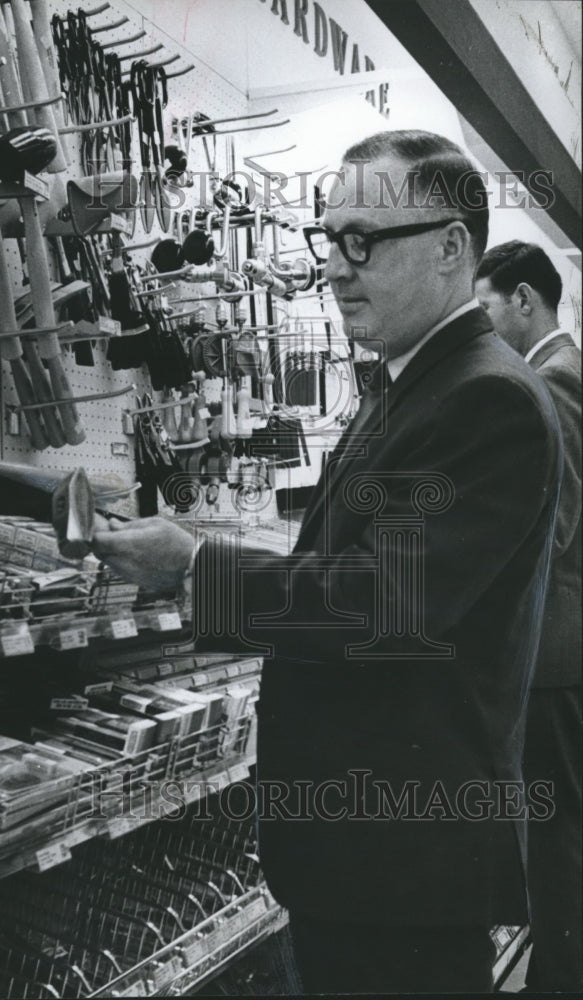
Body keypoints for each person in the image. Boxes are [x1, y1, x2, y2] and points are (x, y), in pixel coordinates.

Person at [92, 131, 563, 993]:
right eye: (327, 238)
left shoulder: (482, 394)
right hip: (369, 857)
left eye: (363, 240)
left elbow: (384, 604)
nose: (337, 268)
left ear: (452, 248)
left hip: (399, 863)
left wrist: (195, 566)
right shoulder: (420, 380)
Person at [476, 241, 582, 993]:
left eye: (483, 307)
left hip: (554, 656)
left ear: (522, 300)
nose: (478, 325)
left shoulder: (554, 384)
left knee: (556, 842)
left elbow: (554, 524)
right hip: (562, 650)